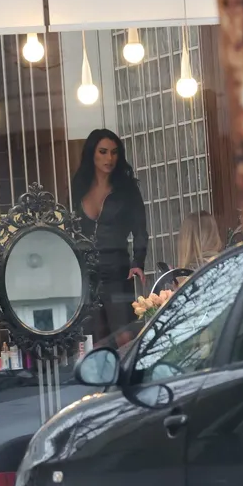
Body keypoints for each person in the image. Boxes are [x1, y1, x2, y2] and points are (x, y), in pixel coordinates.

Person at [71, 128, 149, 344]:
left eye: (114, 152)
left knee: (124, 335)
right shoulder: (79, 187)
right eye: (103, 152)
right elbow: (71, 228)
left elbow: (140, 230)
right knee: (94, 338)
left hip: (117, 269)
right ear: (92, 154)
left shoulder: (127, 189)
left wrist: (138, 262)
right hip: (87, 273)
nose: (109, 158)